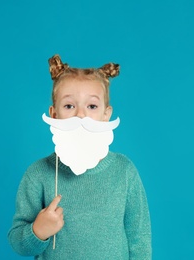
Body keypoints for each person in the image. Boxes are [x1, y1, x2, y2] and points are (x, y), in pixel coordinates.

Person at [8, 54, 152, 259]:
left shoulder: (124, 171)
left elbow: (140, 240)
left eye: (92, 106)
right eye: (69, 106)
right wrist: (38, 231)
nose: (81, 116)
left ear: (106, 114)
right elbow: (18, 243)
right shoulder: (38, 174)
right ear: (54, 114)